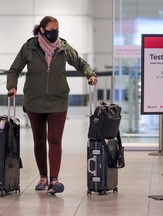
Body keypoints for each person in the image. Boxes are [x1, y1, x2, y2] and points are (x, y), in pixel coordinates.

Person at [7, 16, 98, 194]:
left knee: (55, 140)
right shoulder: (29, 47)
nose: (55, 33)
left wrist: (90, 74)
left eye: (57, 30)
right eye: (51, 30)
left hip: (58, 100)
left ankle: (55, 179)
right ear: (42, 30)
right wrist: (12, 86)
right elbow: (14, 69)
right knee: (39, 140)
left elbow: (79, 62)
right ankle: (43, 177)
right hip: (34, 101)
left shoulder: (63, 47)